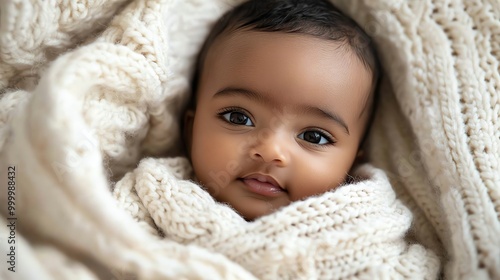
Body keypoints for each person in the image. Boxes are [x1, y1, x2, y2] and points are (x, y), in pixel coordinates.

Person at [183, 0, 380, 220]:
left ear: (351, 165)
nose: (270, 150)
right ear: (191, 130)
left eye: (314, 137)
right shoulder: (150, 203)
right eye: (238, 118)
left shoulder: (365, 229)